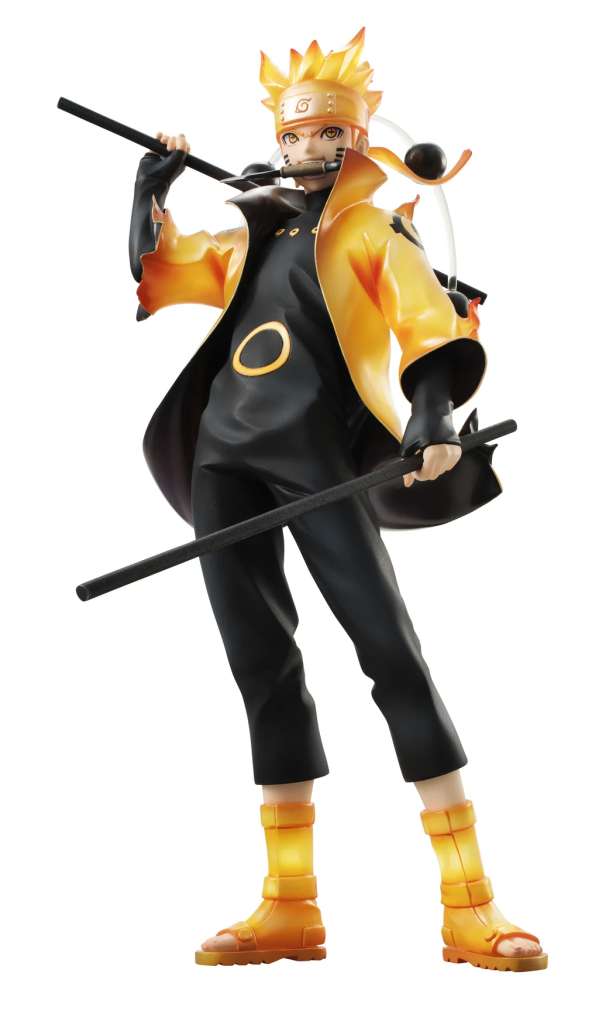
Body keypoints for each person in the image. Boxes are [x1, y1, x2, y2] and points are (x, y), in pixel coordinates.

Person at [128, 28, 546, 971]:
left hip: (316, 459)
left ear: (356, 138)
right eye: (292, 135)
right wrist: (147, 191)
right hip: (223, 462)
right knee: (262, 669)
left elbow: (426, 328)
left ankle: (469, 902)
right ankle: (288, 904)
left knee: (390, 656)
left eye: (326, 134)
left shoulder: (369, 228)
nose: (307, 148)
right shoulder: (250, 230)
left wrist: (429, 421)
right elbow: (161, 269)